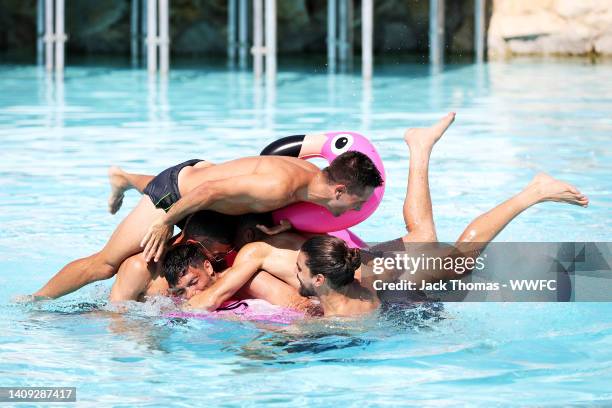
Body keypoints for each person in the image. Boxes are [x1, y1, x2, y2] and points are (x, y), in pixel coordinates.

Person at [183, 112, 589, 316]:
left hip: (388, 271)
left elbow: (225, 290)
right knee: (430, 238)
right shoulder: (274, 245)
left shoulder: (266, 254)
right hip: (376, 271)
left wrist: (181, 311)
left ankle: (531, 190)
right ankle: (420, 148)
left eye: (215, 255)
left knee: (457, 256)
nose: (217, 262)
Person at [33, 150, 383, 299]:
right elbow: (209, 189)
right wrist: (164, 222)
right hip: (177, 197)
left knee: (193, 178)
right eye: (361, 200)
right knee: (106, 265)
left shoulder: (310, 179)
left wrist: (282, 223)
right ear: (340, 189)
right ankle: (34, 300)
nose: (363, 208)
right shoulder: (280, 185)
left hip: (205, 189)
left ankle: (124, 177)